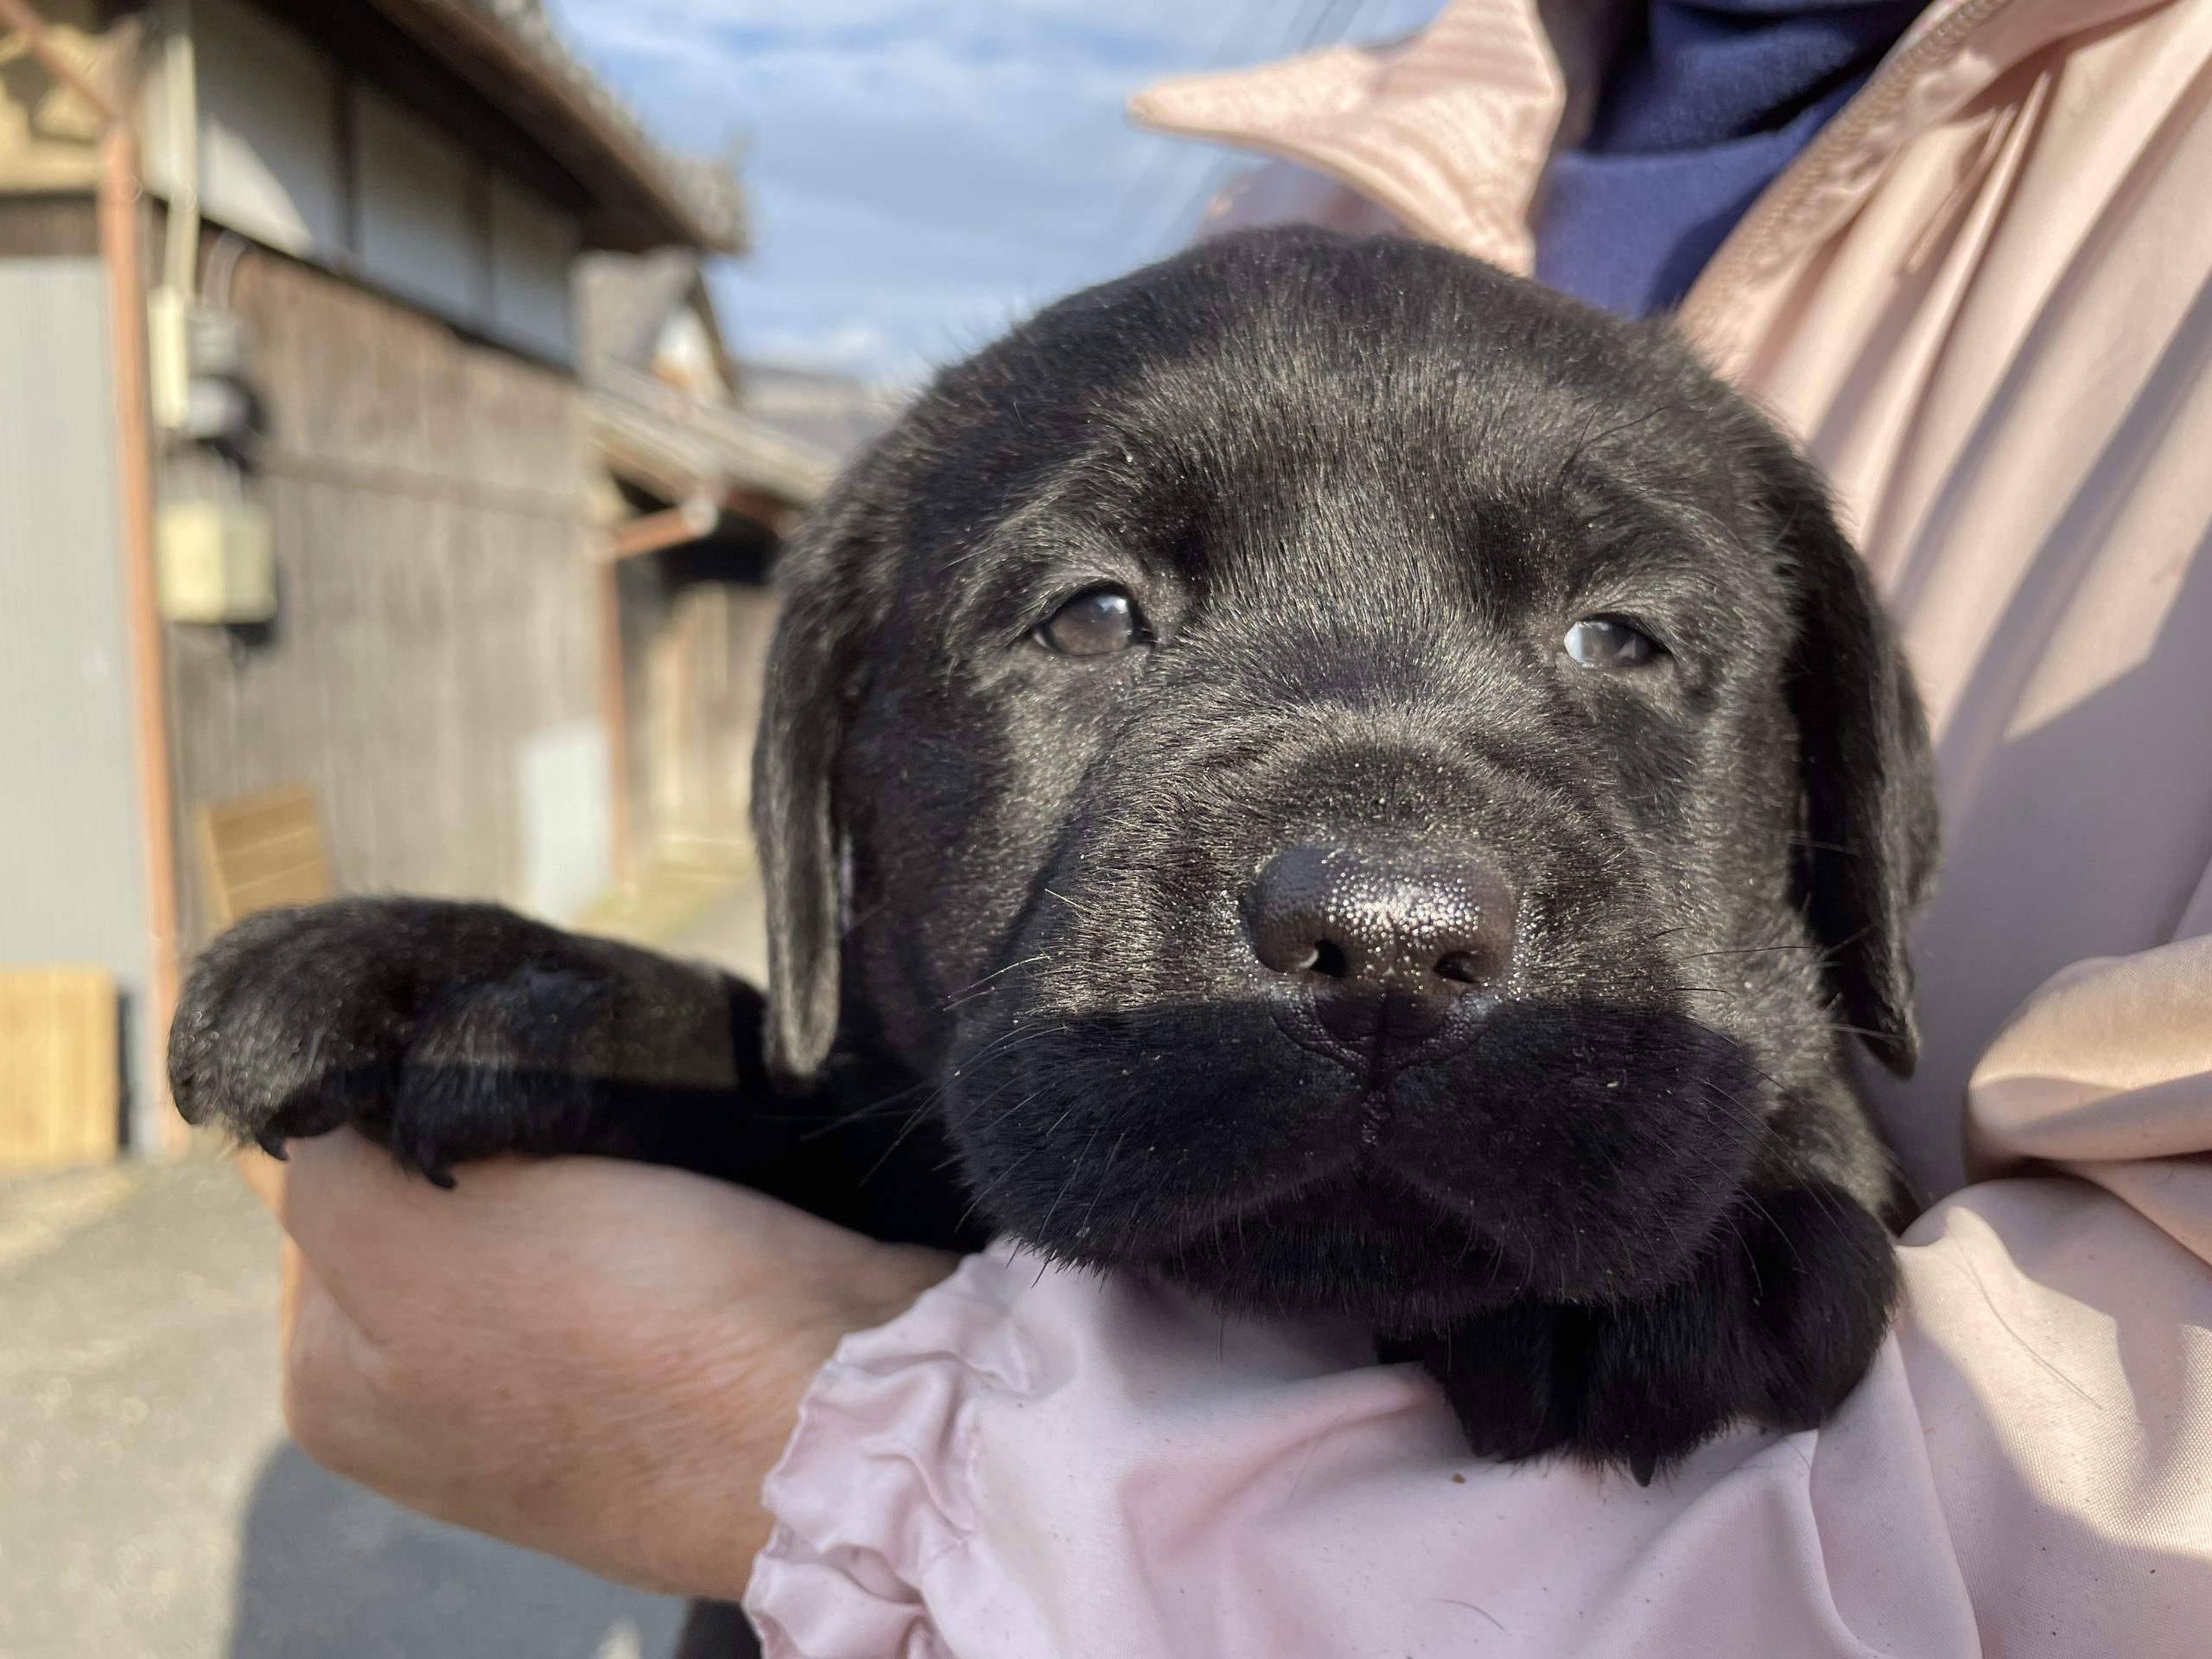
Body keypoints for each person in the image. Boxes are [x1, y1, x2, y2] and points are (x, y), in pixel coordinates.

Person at [251, 0, 2212, 1652]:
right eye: (1090, 614)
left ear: (1844, 802)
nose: (1384, 909)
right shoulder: (1305, 187)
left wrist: (794, 1421)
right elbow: (896, 1086)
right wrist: (680, 1056)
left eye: (1619, 636)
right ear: (823, 779)